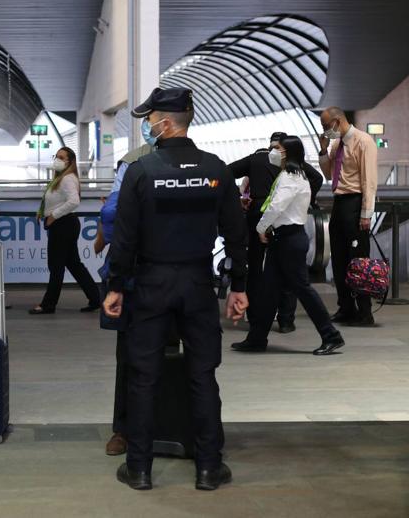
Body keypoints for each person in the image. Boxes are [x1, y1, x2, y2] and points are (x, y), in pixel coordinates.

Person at [104, 87, 248, 491]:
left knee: (144, 376)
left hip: (151, 284)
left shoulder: (141, 172)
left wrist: (116, 287)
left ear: (166, 123)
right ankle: (208, 468)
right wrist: (239, 286)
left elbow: (125, 239)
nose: (148, 125)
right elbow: (237, 235)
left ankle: (140, 469)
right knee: (203, 375)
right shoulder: (216, 170)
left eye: (150, 119)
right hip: (198, 283)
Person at [231, 136, 345, 355]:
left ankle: (331, 335)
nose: (272, 152)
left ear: (288, 153)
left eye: (277, 149)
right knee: (268, 289)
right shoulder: (291, 175)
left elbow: (275, 207)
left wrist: (260, 228)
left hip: (289, 240)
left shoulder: (290, 178)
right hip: (282, 238)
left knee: (302, 288)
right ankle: (256, 338)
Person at [96, 143, 154, 457]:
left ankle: (125, 430)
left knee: (129, 356)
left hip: (135, 276)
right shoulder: (196, 164)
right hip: (175, 276)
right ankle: (141, 428)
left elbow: (110, 213)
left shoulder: (132, 162)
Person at [318, 107, 378, 327]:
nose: (325, 130)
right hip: (339, 203)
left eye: (326, 126)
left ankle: (365, 311)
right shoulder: (337, 144)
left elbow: (369, 181)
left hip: (355, 202)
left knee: (358, 261)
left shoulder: (364, 141)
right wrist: (323, 151)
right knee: (340, 259)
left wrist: (366, 214)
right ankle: (346, 307)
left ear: (337, 121)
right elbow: (328, 174)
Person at [29, 147, 101, 314]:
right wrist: (43, 212)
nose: (57, 160)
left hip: (63, 225)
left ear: (70, 161)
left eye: (61, 157)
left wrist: (53, 215)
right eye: (56, 156)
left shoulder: (67, 178)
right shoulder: (60, 178)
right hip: (66, 225)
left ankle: (48, 304)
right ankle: (96, 298)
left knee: (56, 266)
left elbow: (74, 201)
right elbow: (55, 200)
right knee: (74, 265)